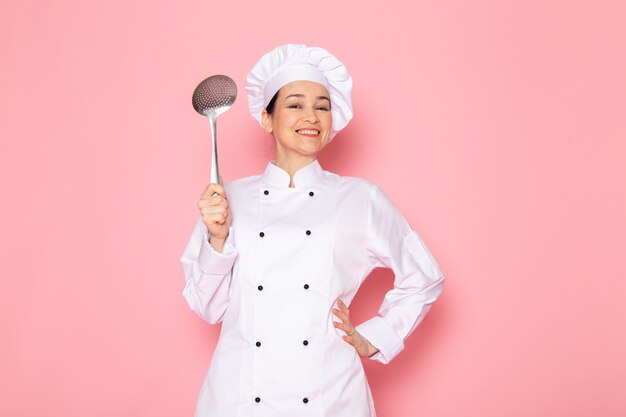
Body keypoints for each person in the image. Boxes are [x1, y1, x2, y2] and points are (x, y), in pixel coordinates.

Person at [180, 43, 445, 417]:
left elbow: (425, 276)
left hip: (329, 396)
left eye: (322, 106)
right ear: (267, 118)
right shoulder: (226, 200)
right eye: (295, 104)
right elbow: (207, 309)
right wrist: (218, 239)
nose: (312, 116)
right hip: (238, 398)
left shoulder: (359, 197)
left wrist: (375, 337)